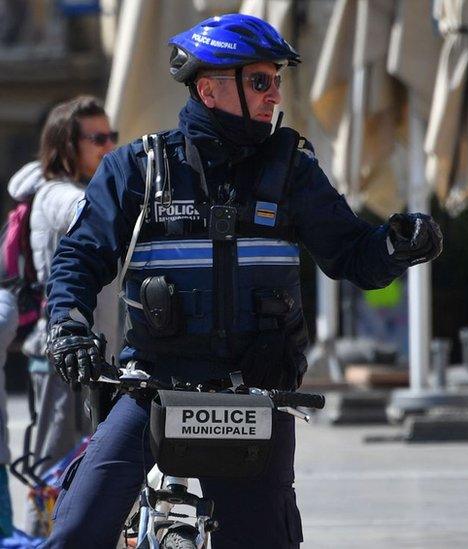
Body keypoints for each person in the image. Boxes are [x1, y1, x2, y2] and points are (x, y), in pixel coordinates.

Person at [40, 14, 442, 548]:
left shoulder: (292, 171)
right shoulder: (138, 168)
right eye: (260, 81)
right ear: (208, 89)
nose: (275, 93)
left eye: (277, 80)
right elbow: (80, 258)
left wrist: (396, 245)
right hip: (155, 384)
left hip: (255, 395)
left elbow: (351, 255)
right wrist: (68, 327)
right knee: (77, 530)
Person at [6, 96, 117, 536]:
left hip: (93, 354)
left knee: (84, 464)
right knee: (53, 467)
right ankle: (38, 541)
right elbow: (87, 216)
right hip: (60, 358)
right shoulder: (56, 194)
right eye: (98, 139)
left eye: (113, 137)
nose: (109, 147)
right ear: (67, 146)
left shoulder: (82, 190)